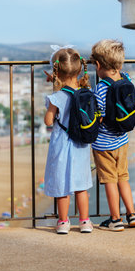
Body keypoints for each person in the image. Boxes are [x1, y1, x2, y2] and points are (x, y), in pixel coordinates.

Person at [90, 39, 135, 231]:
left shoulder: (100, 89)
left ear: (97, 65)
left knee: (109, 180)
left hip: (104, 144)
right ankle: (132, 214)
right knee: (123, 177)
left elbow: (100, 116)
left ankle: (115, 219)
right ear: (120, 64)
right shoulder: (126, 79)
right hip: (123, 140)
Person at [43, 46, 93, 234]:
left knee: (62, 185)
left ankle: (63, 222)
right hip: (80, 145)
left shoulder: (56, 97)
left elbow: (48, 121)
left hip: (62, 145)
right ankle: (85, 221)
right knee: (81, 186)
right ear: (80, 70)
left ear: (56, 71)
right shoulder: (85, 91)